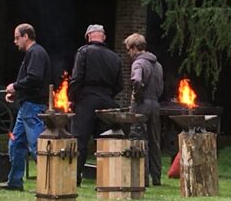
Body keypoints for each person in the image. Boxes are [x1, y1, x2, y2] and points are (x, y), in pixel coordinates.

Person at [70, 24, 122, 185]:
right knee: (107, 141)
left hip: (86, 100)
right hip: (107, 101)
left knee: (80, 141)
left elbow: (77, 78)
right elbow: (120, 84)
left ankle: (75, 177)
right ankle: (109, 178)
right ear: (103, 37)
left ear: (89, 37)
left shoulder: (83, 52)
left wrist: (73, 97)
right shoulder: (115, 57)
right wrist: (107, 96)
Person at [2, 23, 51, 191]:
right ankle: (15, 182)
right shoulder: (32, 53)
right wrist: (17, 93)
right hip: (26, 106)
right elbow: (31, 82)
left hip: (33, 107)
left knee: (37, 146)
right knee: (15, 144)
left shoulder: (36, 53)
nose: (15, 42)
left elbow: (34, 78)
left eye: (17, 38)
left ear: (26, 36)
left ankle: (49, 182)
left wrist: (15, 87)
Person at [124, 33, 164, 187]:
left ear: (134, 48)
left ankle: (142, 178)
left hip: (141, 105)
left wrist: (136, 96)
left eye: (129, 49)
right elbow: (161, 87)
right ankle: (157, 178)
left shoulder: (138, 63)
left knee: (139, 139)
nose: (128, 53)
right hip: (155, 104)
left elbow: (137, 80)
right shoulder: (158, 65)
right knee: (155, 141)